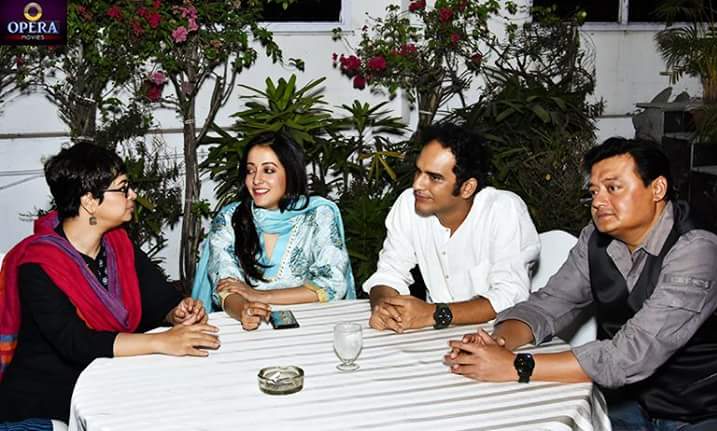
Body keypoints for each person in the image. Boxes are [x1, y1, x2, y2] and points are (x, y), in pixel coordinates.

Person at [444, 137, 717, 430]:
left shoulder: (697, 250)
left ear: (657, 189)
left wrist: (516, 365)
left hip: (699, 411)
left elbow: (630, 355)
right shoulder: (595, 239)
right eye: (594, 192)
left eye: (613, 188)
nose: (598, 202)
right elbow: (550, 303)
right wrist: (498, 342)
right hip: (626, 404)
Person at [0, 143, 219, 424]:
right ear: (90, 201)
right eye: (123, 188)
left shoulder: (117, 245)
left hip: (112, 378)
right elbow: (76, 342)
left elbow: (158, 298)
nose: (133, 195)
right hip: (52, 400)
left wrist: (177, 311)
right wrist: (161, 340)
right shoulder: (39, 263)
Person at [363, 124, 540, 332]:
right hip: (433, 333)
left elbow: (510, 296)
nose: (418, 184)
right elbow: (389, 273)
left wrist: (435, 313)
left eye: (435, 178)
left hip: (496, 334)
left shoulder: (503, 210)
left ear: (467, 188)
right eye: (418, 171)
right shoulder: (408, 204)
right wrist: (384, 307)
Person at [192, 133, 355, 330]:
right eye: (250, 171)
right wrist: (244, 309)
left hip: (312, 325)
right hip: (246, 325)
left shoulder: (318, 214)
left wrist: (260, 296)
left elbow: (332, 284)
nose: (256, 179)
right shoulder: (230, 218)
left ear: (290, 172)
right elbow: (225, 286)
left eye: (268, 170)